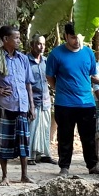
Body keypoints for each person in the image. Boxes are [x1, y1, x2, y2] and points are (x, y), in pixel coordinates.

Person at [46, 22, 99, 176]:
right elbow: (50, 77)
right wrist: (59, 90)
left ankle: (93, 165)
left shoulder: (88, 53)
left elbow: (93, 75)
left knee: (89, 137)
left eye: (79, 37)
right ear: (66, 36)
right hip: (64, 103)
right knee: (65, 136)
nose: (76, 40)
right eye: (73, 37)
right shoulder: (56, 54)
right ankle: (64, 167)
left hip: (87, 102)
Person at [0, 25, 35, 186]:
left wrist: (31, 106)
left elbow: (28, 84)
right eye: (16, 38)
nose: (19, 40)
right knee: (3, 141)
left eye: (19, 37)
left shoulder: (23, 58)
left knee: (23, 141)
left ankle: (24, 175)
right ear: (6, 39)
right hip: (5, 105)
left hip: (22, 105)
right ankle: (5, 176)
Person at [27, 34, 57, 166]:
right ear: (32, 45)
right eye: (39, 44)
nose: (41, 47)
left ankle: (44, 155)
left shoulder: (46, 61)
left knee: (45, 128)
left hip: (45, 99)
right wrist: (30, 105)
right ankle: (30, 156)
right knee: (32, 128)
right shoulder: (25, 61)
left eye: (43, 44)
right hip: (32, 100)